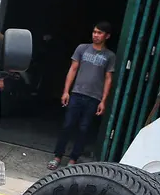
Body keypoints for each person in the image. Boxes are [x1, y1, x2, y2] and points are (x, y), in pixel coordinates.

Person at [48, 21, 116, 170]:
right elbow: (73, 69)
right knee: (67, 125)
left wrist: (103, 101)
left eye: (99, 33)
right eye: (94, 32)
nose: (96, 35)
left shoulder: (109, 56)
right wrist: (66, 91)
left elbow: (108, 79)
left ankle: (73, 159)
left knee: (84, 128)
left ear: (107, 36)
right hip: (77, 94)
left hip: (94, 98)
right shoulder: (82, 49)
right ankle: (57, 156)